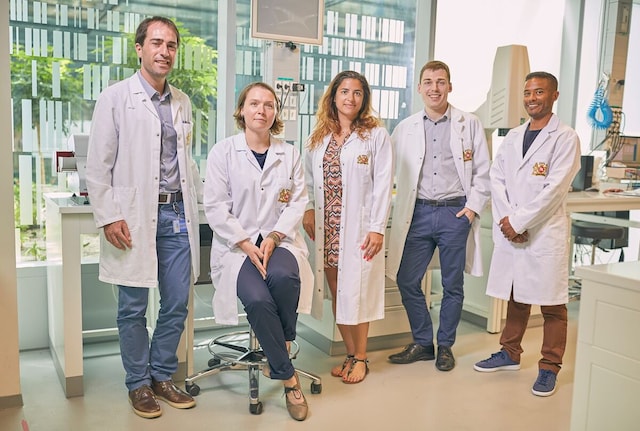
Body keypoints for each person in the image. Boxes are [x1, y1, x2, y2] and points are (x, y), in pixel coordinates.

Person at [85, 16, 203, 418]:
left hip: (175, 214)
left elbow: (185, 162)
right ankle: (138, 384)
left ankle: (161, 375)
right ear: (140, 48)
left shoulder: (183, 102)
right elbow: (97, 166)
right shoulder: (115, 98)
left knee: (175, 303)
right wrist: (107, 215)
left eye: (171, 45)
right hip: (132, 215)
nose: (164, 51)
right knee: (133, 306)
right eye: (156, 43)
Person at [204, 82, 319, 421]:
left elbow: (298, 201)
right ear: (241, 110)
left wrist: (273, 237)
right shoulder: (223, 152)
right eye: (254, 104)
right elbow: (214, 206)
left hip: (279, 240)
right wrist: (244, 242)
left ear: (275, 114)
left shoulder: (290, 153)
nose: (261, 110)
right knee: (256, 299)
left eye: (269, 105)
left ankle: (278, 351)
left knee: (285, 277)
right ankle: (288, 377)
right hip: (236, 247)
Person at [473, 72, 581, 397]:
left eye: (539, 92)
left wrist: (519, 222)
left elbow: (554, 190)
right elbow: (497, 178)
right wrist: (509, 220)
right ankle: (509, 353)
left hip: (543, 231)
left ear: (554, 95)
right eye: (528, 92)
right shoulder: (513, 136)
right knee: (515, 294)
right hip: (513, 228)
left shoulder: (565, 137)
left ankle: (549, 367)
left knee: (552, 303)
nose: (532, 98)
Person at [386, 60, 491, 371]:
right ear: (419, 88)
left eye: (440, 82)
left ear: (450, 86)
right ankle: (422, 342)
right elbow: (385, 171)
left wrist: (471, 210)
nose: (434, 88)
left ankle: (445, 345)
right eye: (428, 82)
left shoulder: (468, 123)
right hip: (417, 213)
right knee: (406, 279)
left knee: (452, 284)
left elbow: (483, 172)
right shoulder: (404, 128)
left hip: (454, 213)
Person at [303, 71, 393, 384]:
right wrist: (309, 209)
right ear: (334, 96)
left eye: (357, 93)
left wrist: (377, 227)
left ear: (363, 99)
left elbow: (383, 184)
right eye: (344, 91)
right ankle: (350, 355)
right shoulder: (319, 137)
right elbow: (306, 178)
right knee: (339, 294)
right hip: (327, 229)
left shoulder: (375, 134)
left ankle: (362, 358)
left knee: (358, 293)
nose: (350, 98)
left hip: (359, 228)